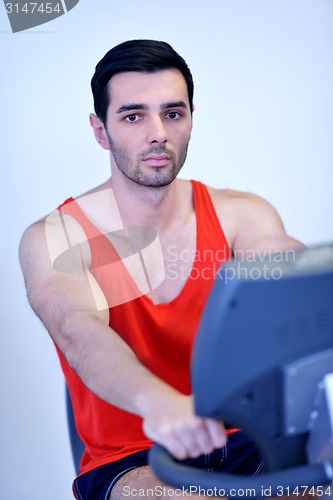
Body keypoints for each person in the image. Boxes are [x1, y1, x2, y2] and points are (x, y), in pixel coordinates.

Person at [19, 39, 304, 499]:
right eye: (133, 116)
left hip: (250, 442)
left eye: (173, 113)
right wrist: (164, 405)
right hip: (133, 460)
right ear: (100, 130)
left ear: (191, 119)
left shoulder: (240, 216)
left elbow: (294, 283)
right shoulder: (57, 238)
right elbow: (78, 333)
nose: (158, 133)